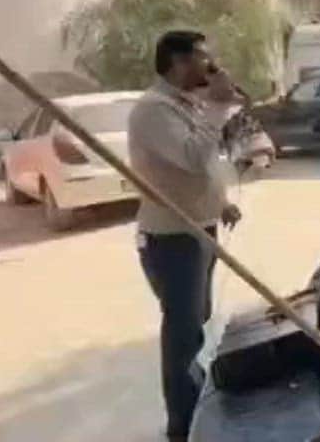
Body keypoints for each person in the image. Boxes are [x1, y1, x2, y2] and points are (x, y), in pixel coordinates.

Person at [128, 30, 244, 441]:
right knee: (183, 334)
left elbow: (204, 165)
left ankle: (196, 409)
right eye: (202, 59)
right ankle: (183, 427)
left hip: (200, 228)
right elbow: (193, 158)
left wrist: (221, 202)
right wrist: (216, 104)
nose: (210, 66)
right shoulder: (153, 110)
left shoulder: (183, 104)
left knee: (198, 323)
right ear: (177, 63)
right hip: (173, 238)